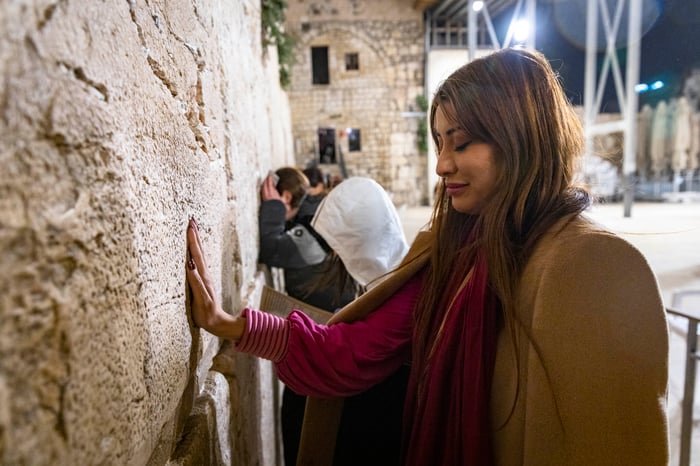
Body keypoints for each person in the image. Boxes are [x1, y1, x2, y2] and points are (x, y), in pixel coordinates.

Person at [186, 48, 669, 465]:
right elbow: (355, 350)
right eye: (439, 143)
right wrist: (234, 325)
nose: (441, 165)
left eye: (461, 143)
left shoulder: (590, 267)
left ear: (520, 136)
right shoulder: (454, 252)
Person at [259, 170, 409, 465]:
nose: (336, 258)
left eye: (342, 248)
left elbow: (348, 352)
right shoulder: (398, 276)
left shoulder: (399, 300)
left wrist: (226, 324)